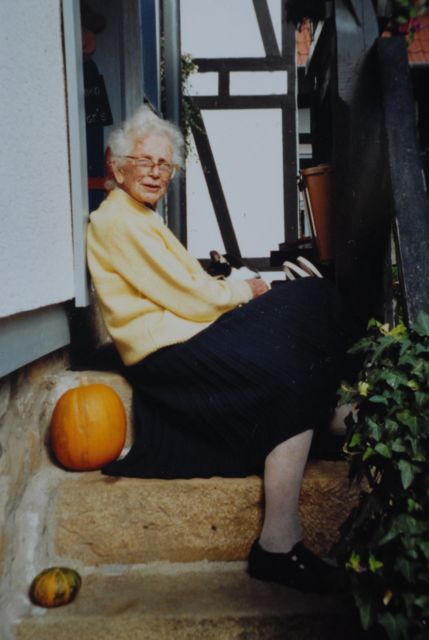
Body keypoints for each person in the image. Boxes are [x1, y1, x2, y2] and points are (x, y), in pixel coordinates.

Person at [86, 105, 346, 593]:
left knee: (303, 328)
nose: (155, 172)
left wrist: (238, 292)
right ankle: (279, 544)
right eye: (143, 161)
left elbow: (186, 286)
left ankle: (282, 533)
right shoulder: (115, 220)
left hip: (186, 337)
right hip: (169, 356)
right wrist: (245, 291)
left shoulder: (140, 217)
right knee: (307, 302)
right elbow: (190, 295)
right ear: (117, 167)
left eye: (164, 165)